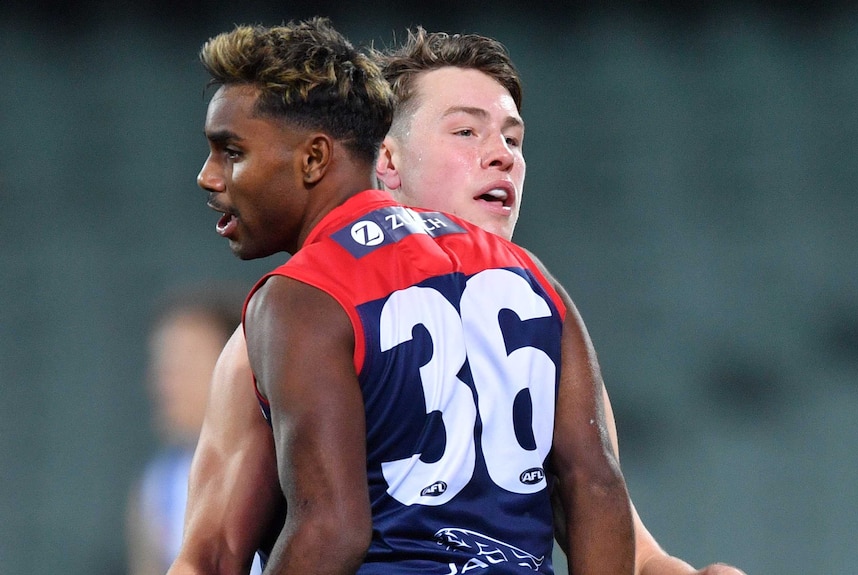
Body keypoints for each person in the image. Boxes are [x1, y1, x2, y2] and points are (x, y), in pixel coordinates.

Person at [169, 24, 745, 575]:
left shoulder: (306, 301)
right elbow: (597, 495)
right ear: (384, 161)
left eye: (514, 139)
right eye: (466, 132)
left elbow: (625, 540)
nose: (501, 155)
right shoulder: (538, 292)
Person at [126, 284, 255, 575]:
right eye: (164, 365)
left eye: (186, 362)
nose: (166, 382)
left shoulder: (285, 468)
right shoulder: (155, 487)